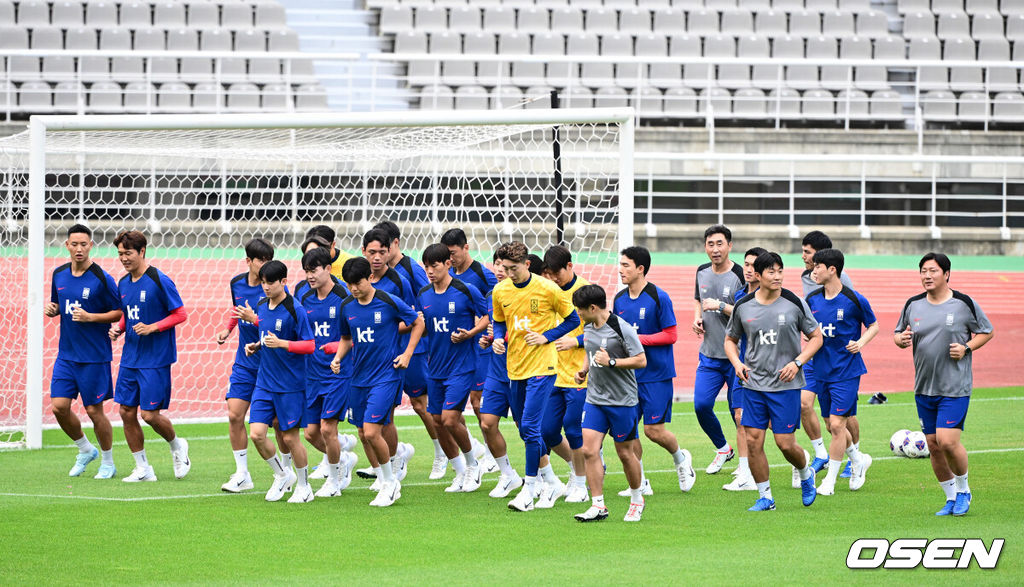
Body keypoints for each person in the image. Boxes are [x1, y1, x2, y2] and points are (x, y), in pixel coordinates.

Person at [894, 253, 993, 516]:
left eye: (933, 271)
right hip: (924, 387)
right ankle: (950, 498)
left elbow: (986, 331)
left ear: (946, 274)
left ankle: (964, 490)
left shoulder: (963, 304)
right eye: (923, 271)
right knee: (933, 445)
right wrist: (900, 339)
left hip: (954, 387)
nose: (927, 276)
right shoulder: (913, 304)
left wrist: (967, 348)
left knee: (947, 441)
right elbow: (897, 333)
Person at [724, 252, 822, 511]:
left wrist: (797, 362)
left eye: (780, 270)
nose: (777, 276)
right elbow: (730, 341)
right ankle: (765, 497)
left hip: (785, 386)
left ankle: (805, 472)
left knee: (784, 443)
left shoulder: (794, 303)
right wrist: (737, 363)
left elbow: (816, 338)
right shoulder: (744, 306)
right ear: (757, 275)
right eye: (771, 271)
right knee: (754, 440)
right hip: (753, 385)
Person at [491, 241, 581, 512]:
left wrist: (546, 337)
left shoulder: (547, 288)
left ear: (527, 264)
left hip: (543, 367)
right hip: (515, 367)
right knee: (523, 428)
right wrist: (497, 338)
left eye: (514, 268)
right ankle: (552, 481)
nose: (508, 273)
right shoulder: (500, 290)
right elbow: (498, 320)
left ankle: (530, 489)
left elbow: (573, 320)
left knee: (531, 427)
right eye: (504, 268)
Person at [331, 257, 425, 507]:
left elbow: (418, 322)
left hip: (386, 375)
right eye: (349, 284)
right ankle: (387, 479)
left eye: (358, 283)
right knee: (363, 432)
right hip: (358, 378)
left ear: (370, 278)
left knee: (373, 431)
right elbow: (345, 337)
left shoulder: (387, 301)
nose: (353, 289)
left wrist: (407, 354)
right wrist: (339, 358)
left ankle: (390, 483)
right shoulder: (346, 306)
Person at [612, 246, 695, 496]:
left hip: (656, 376)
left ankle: (681, 459)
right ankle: (640, 482)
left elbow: (671, 335)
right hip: (628, 377)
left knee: (653, 431)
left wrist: (638, 340)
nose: (620, 269)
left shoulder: (660, 297)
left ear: (640, 269)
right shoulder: (619, 299)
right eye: (620, 264)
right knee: (626, 432)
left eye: (626, 265)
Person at [108, 230, 190, 483]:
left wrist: (153, 327)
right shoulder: (122, 283)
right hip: (130, 357)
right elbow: (127, 314)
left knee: (150, 415)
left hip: (155, 358)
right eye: (120, 254)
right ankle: (143, 469)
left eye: (128, 253)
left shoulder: (159, 280)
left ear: (142, 251)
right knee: (125, 411)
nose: (123, 258)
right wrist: (119, 328)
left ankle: (177, 446)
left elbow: (180, 314)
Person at [45, 224, 122, 479]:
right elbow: (59, 303)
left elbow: (119, 312)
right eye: (74, 244)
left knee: (93, 411)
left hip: (94, 356)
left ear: (91, 246)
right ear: (66, 245)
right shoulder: (58, 274)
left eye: (84, 244)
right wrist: (54, 309)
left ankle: (108, 462)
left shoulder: (102, 278)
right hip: (66, 355)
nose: (79, 248)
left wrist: (91, 317)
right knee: (58, 407)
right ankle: (85, 449)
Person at [571, 285, 648, 523]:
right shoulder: (588, 326)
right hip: (595, 399)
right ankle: (598, 505)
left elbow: (641, 360)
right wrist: (584, 369)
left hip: (622, 401)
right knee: (588, 450)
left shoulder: (621, 328)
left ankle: (637, 500)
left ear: (593, 308)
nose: (578, 314)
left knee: (625, 453)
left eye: (581, 310)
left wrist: (612, 362)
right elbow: (590, 350)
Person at [806, 248, 879, 496]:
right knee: (831, 425)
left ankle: (830, 481)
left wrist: (861, 343)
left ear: (832, 269)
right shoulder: (812, 301)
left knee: (838, 424)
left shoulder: (854, 299)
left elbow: (873, 325)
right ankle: (858, 460)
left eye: (817, 266)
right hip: (820, 370)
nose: (813, 270)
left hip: (847, 371)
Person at [243, 260, 317, 503]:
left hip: (290, 385)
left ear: (283, 282)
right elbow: (266, 336)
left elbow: (309, 345)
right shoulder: (262, 305)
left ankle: (304, 486)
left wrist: (283, 344)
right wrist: (255, 345)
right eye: (262, 282)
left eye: (270, 283)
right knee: (256, 434)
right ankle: (281, 475)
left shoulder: (295, 309)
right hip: (265, 381)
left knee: (289, 438)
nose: (265, 287)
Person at [418, 243, 490, 493]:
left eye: (434, 265)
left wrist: (470, 333)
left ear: (448, 264)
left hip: (462, 366)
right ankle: (459, 471)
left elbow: (487, 316)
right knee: (437, 421)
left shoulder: (466, 290)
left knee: (449, 419)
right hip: (435, 367)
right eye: (426, 266)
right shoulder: (424, 294)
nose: (429, 270)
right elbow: (425, 326)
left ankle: (473, 465)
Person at [215, 237, 280, 492]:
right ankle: (242, 474)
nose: (265, 265)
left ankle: (286, 471)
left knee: (277, 424)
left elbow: (276, 323)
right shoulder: (236, 284)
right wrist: (228, 330)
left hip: (270, 363)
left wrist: (255, 320)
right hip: (244, 362)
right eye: (260, 260)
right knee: (234, 415)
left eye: (268, 260)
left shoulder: (272, 290)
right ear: (248, 261)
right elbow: (236, 309)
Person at [358, 228, 419, 484]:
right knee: (363, 427)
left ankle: (392, 467)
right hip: (361, 364)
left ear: (390, 251)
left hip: (389, 361)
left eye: (382, 252)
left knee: (386, 419)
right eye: (372, 252)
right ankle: (385, 464)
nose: (377, 257)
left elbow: (413, 317)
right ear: (363, 252)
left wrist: (388, 329)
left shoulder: (398, 282)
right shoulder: (357, 280)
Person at [798, 230, 857, 481]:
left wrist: (853, 342)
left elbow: (854, 315)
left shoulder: (844, 282)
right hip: (813, 356)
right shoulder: (805, 277)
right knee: (803, 404)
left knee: (842, 418)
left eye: (807, 252)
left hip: (839, 361)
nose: (803, 257)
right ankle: (823, 452)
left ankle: (855, 457)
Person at [300, 247, 359, 498]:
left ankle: (334, 480)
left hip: (338, 372)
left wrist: (340, 347)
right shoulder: (305, 299)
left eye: (314, 270)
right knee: (311, 432)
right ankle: (342, 459)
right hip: (312, 373)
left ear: (327, 269)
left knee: (327, 429)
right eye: (306, 271)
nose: (310, 276)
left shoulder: (345, 298)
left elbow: (360, 333)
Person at [707, 246, 766, 491]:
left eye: (753, 265)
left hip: (766, 366)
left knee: (776, 427)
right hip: (743, 364)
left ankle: (800, 460)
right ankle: (745, 473)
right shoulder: (741, 294)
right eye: (747, 264)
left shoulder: (770, 296)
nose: (749, 270)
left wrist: (720, 306)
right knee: (742, 417)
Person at [442, 227, 500, 473]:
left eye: (454, 253)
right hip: (456, 349)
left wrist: (485, 332)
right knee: (451, 406)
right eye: (448, 254)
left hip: (479, 345)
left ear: (466, 248)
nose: (450, 259)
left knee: (478, 401)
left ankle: (491, 452)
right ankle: (475, 447)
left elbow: (496, 307)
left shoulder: (482, 275)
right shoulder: (449, 274)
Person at [538, 245, 591, 506]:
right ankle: (575, 465)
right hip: (552, 374)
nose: (554, 279)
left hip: (579, 376)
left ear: (570, 266)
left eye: (556, 273)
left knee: (573, 429)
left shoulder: (585, 291)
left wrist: (575, 343)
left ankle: (582, 484)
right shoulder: (548, 292)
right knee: (547, 431)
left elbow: (599, 331)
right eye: (549, 274)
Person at [692, 225, 745, 474]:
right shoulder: (701, 272)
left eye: (720, 244)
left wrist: (722, 305)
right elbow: (697, 300)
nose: (715, 249)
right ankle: (724, 448)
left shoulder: (740, 274)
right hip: (709, 355)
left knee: (740, 414)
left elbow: (750, 311)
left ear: (730, 246)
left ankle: (746, 466)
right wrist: (697, 318)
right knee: (701, 405)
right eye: (710, 244)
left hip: (736, 357)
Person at [478, 250, 523, 498]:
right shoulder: (492, 295)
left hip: (523, 369)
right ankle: (508, 475)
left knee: (527, 428)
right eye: (496, 263)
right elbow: (498, 327)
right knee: (487, 422)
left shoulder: (526, 294)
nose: (498, 269)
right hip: (496, 369)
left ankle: (566, 476)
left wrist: (502, 337)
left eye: (503, 265)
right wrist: (491, 339)